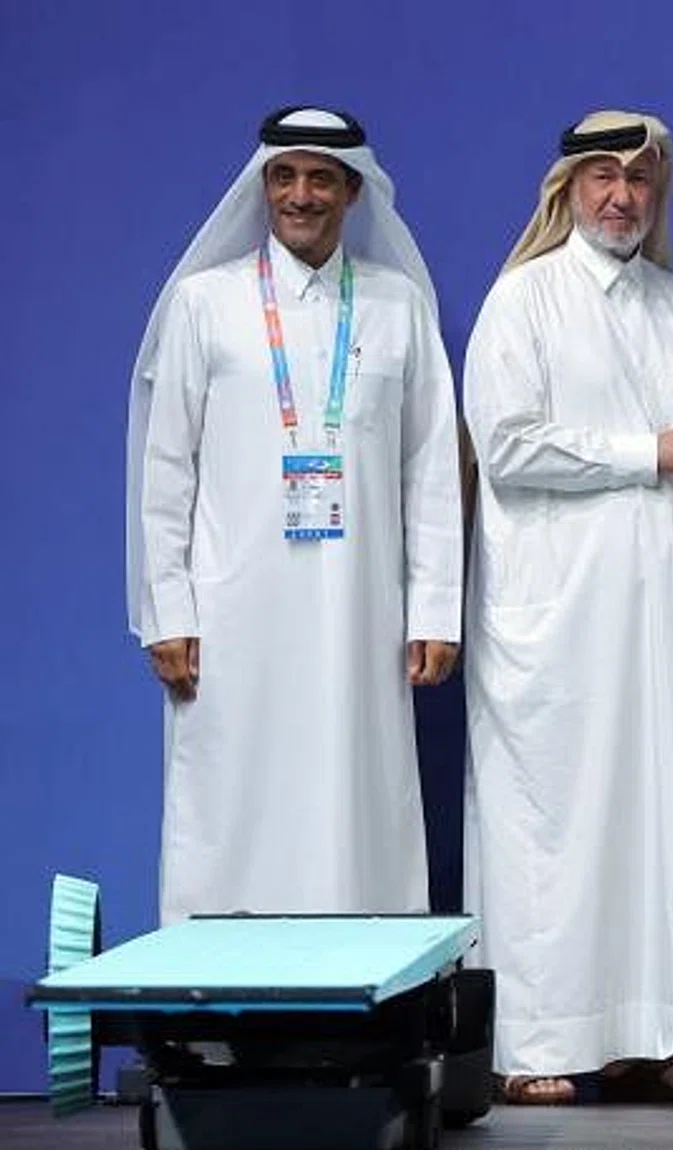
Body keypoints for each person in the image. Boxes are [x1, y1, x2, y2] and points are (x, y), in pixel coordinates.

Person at [462, 109, 673, 1106]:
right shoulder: (523, 300)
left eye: (639, 179)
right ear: (567, 188)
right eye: (603, 177)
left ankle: (660, 1038)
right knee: (555, 821)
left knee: (668, 817)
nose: (621, 196)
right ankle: (534, 1044)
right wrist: (646, 451)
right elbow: (506, 443)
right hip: (558, 620)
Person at [128, 106, 462, 926]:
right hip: (232, 614)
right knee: (230, 798)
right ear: (264, 186)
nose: (300, 196)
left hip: (361, 613)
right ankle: (219, 990)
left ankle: (359, 988)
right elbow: (166, 468)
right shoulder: (205, 304)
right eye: (284, 177)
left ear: (353, 190)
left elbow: (430, 468)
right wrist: (166, 610)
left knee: (356, 797)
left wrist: (434, 609)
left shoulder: (397, 305)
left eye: (320, 178)